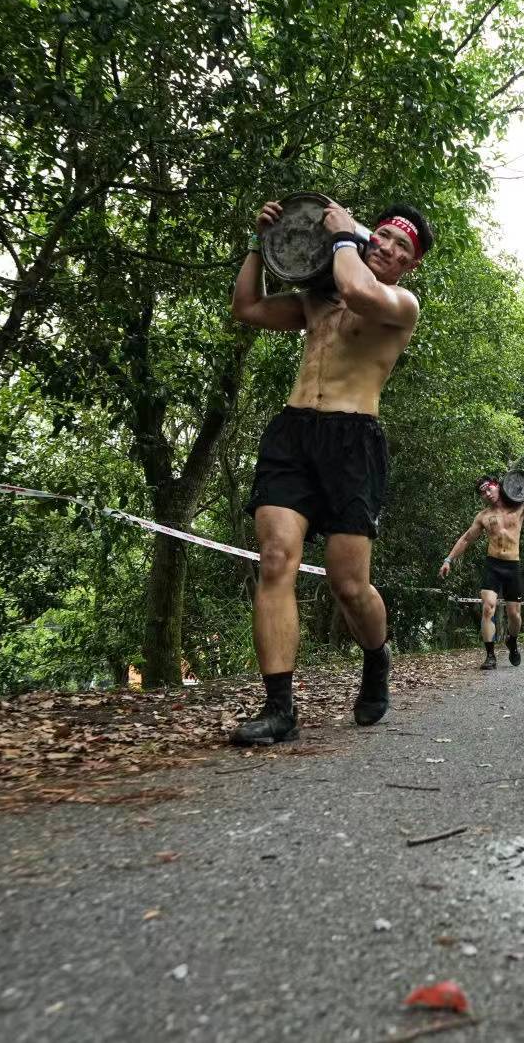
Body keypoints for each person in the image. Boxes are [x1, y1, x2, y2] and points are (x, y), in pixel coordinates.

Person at [228, 198, 433, 745]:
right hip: (294, 434)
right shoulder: (318, 300)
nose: (386, 247)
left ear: (409, 264)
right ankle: (279, 708)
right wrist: (260, 243)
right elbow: (247, 308)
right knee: (275, 559)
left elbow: (362, 292)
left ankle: (376, 656)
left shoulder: (399, 303)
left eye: (400, 247)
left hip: (353, 443)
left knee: (349, 585)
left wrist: (343, 237)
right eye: (384, 235)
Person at [440, 472, 524, 669]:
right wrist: (448, 559)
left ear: (498, 486)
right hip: (493, 565)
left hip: (512, 566)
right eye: (482, 493)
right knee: (487, 608)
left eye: (488, 488)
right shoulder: (483, 516)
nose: (487, 493)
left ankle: (512, 641)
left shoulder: (520, 508)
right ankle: (490, 655)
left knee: (515, 616)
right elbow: (466, 538)